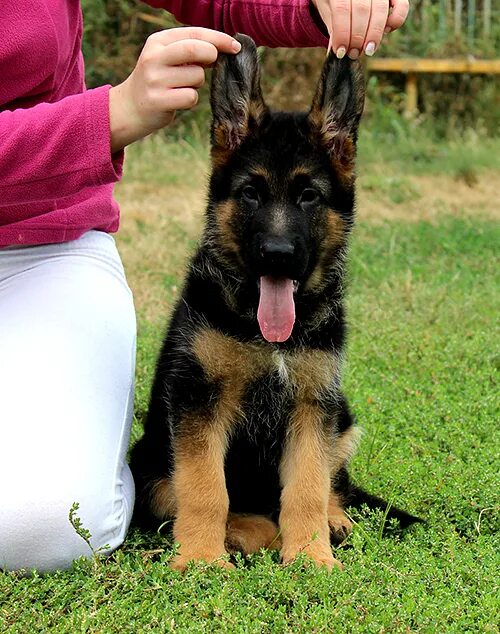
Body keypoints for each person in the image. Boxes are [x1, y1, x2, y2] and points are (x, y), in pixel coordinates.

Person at [0, 0, 409, 573]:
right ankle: (221, 522)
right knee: (178, 445)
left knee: (44, 531)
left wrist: (316, 7)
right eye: (252, 196)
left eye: (308, 197)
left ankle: (296, 517)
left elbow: (227, 6)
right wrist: (112, 112)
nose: (278, 237)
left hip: (47, 246)